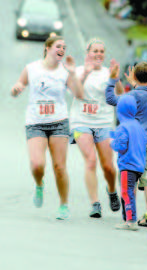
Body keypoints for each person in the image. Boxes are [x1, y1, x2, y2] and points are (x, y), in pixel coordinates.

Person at [11, 36, 83, 220]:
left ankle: (64, 205)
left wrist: (73, 73)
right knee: (37, 164)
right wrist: (17, 88)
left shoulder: (65, 72)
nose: (62, 50)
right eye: (58, 46)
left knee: (59, 167)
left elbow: (79, 94)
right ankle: (39, 184)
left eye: (64, 47)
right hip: (35, 122)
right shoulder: (32, 68)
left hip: (58, 122)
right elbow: (21, 83)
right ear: (47, 48)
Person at [69, 39, 120, 218]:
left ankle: (112, 191)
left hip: (104, 122)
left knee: (108, 167)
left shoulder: (108, 72)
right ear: (87, 53)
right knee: (90, 160)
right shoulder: (78, 71)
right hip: (81, 121)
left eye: (101, 51)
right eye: (95, 51)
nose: (98, 54)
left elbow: (120, 95)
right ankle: (95, 203)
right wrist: (85, 74)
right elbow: (75, 93)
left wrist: (115, 77)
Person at [105, 61, 147, 224]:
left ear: (134, 76)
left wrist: (112, 80)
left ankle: (130, 213)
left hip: (134, 143)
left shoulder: (131, 96)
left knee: (130, 178)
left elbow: (111, 99)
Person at [110, 95, 147, 231]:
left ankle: (131, 221)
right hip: (138, 165)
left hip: (127, 165)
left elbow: (121, 146)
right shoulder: (139, 126)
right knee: (130, 191)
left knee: (126, 192)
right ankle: (128, 218)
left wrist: (113, 142)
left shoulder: (122, 127)